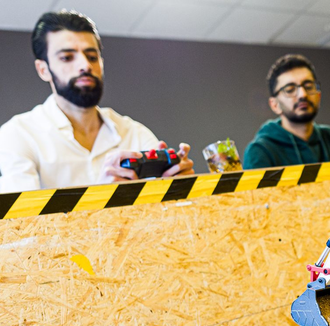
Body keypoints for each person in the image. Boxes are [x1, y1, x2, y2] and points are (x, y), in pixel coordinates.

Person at [0, 10, 194, 194]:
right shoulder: (17, 135)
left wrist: (177, 186)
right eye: (67, 57)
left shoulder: (135, 133)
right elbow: (19, 223)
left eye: (92, 56)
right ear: (43, 69)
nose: (85, 65)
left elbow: (164, 213)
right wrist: (100, 196)